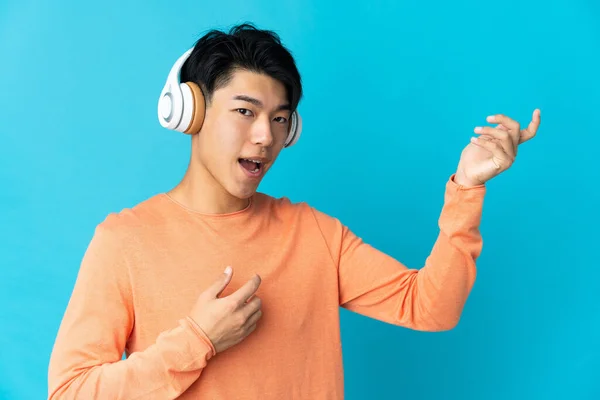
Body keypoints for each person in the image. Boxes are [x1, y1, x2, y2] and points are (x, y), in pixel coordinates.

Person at [47, 23, 541, 399]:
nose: (265, 136)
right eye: (245, 111)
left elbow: (430, 307)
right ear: (190, 112)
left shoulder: (314, 234)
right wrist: (196, 340)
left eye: (279, 119)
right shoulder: (125, 241)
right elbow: (70, 391)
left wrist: (468, 187)